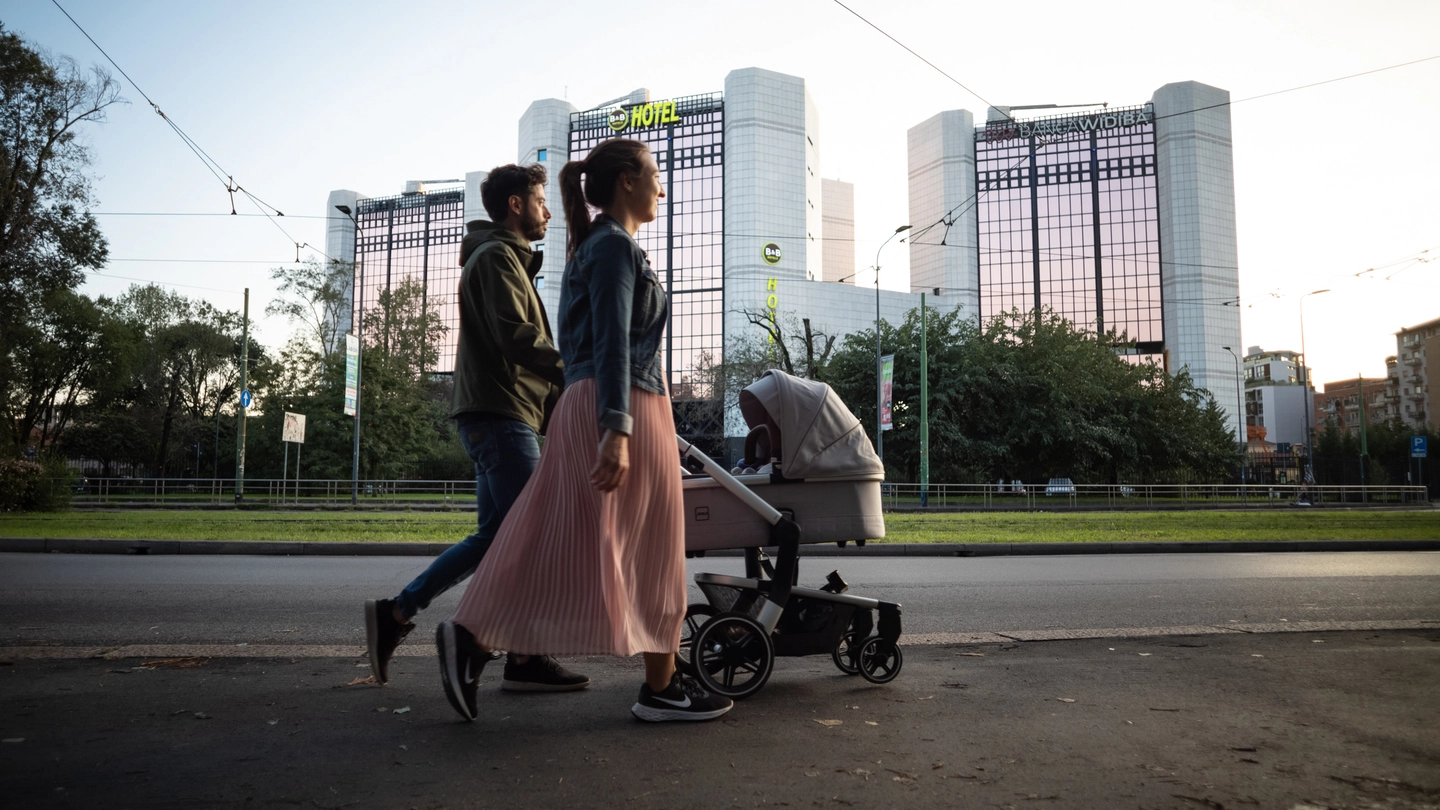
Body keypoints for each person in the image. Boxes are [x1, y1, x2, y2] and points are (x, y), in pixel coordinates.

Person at [435, 138, 733, 723]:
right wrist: (617, 428)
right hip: (621, 405)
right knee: (651, 546)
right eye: (654, 175)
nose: (662, 188)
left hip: (594, 402)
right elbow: (613, 342)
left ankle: (476, 638)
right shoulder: (615, 249)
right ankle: (659, 689)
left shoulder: (596, 248)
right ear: (626, 181)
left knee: (554, 532)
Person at [363, 163, 588, 693]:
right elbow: (517, 339)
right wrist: (578, 370)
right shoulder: (496, 258)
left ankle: (399, 616)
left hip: (500, 412)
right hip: (500, 412)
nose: (548, 211)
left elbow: (518, 346)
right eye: (540, 200)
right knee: (533, 538)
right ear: (516, 205)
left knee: (495, 538)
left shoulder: (501, 258)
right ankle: (501, 649)